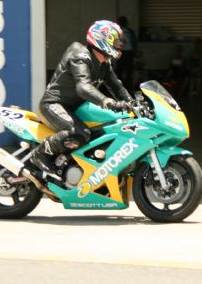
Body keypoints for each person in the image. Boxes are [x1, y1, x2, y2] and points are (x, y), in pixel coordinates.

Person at [29, 20, 133, 173]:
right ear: (103, 39)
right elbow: (83, 87)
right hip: (54, 104)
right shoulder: (80, 56)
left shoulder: (104, 64)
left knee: (106, 129)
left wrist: (132, 103)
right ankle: (39, 154)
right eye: (116, 42)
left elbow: (117, 87)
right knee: (79, 133)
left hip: (76, 109)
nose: (119, 46)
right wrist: (106, 101)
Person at [115, 16, 137, 90]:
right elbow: (134, 42)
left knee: (120, 71)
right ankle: (129, 88)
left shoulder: (120, 31)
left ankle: (121, 88)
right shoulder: (130, 31)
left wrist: (114, 43)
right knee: (128, 72)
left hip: (124, 52)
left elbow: (123, 42)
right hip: (129, 53)